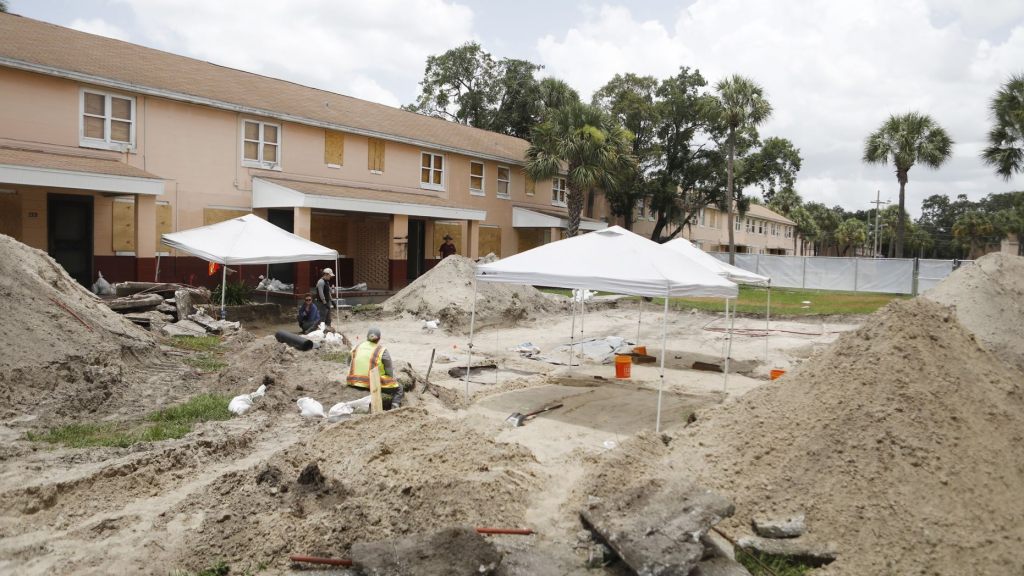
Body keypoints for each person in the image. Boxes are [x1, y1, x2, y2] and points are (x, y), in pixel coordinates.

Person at [346, 327, 404, 409]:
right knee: (399, 388)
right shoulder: (382, 350)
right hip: (370, 383)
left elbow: (348, 363)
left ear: (367, 337)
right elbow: (389, 373)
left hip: (352, 381)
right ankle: (395, 407)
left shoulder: (356, 347)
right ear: (379, 339)